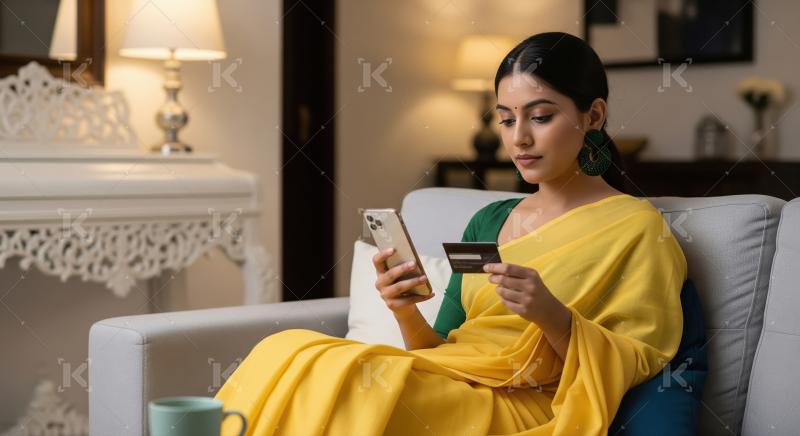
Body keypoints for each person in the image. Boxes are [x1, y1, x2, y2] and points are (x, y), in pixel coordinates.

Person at [215, 31, 708, 435]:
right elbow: (439, 352)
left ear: (593, 115)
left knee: (352, 383)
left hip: (526, 406)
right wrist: (404, 309)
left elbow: (637, 364)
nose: (519, 138)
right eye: (506, 120)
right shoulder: (488, 221)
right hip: (452, 384)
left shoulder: (637, 227)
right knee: (285, 349)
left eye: (540, 117)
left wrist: (552, 316)